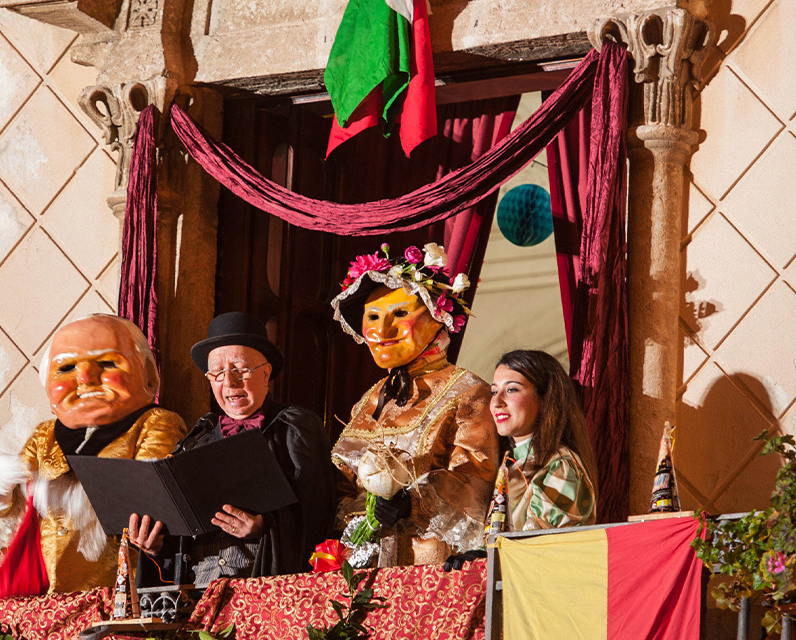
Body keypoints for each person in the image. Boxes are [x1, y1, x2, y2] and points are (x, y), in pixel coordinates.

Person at [0, 314, 186, 593]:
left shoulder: (156, 424)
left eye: (107, 363)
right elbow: (10, 527)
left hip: (116, 594)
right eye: (67, 368)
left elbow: (148, 503)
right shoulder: (45, 435)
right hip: (44, 597)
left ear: (147, 374)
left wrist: (70, 498)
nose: (85, 378)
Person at [129, 312, 336, 587]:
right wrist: (156, 546)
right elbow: (180, 540)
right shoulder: (197, 440)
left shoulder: (296, 429)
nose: (229, 382)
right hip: (198, 594)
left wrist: (265, 528)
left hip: (263, 591)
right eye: (217, 373)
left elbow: (318, 515)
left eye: (240, 369)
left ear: (266, 373)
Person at [330, 242, 499, 568]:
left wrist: (413, 504)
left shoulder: (469, 392)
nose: (382, 330)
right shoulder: (368, 400)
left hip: (428, 566)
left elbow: (477, 483)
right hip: (362, 565)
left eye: (400, 314)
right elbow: (342, 487)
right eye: (373, 317)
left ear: (437, 317)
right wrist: (361, 515)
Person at [484, 348, 598, 535]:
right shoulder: (507, 463)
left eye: (511, 389)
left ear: (545, 400)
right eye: (494, 391)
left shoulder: (559, 466)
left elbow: (538, 545)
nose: (497, 401)